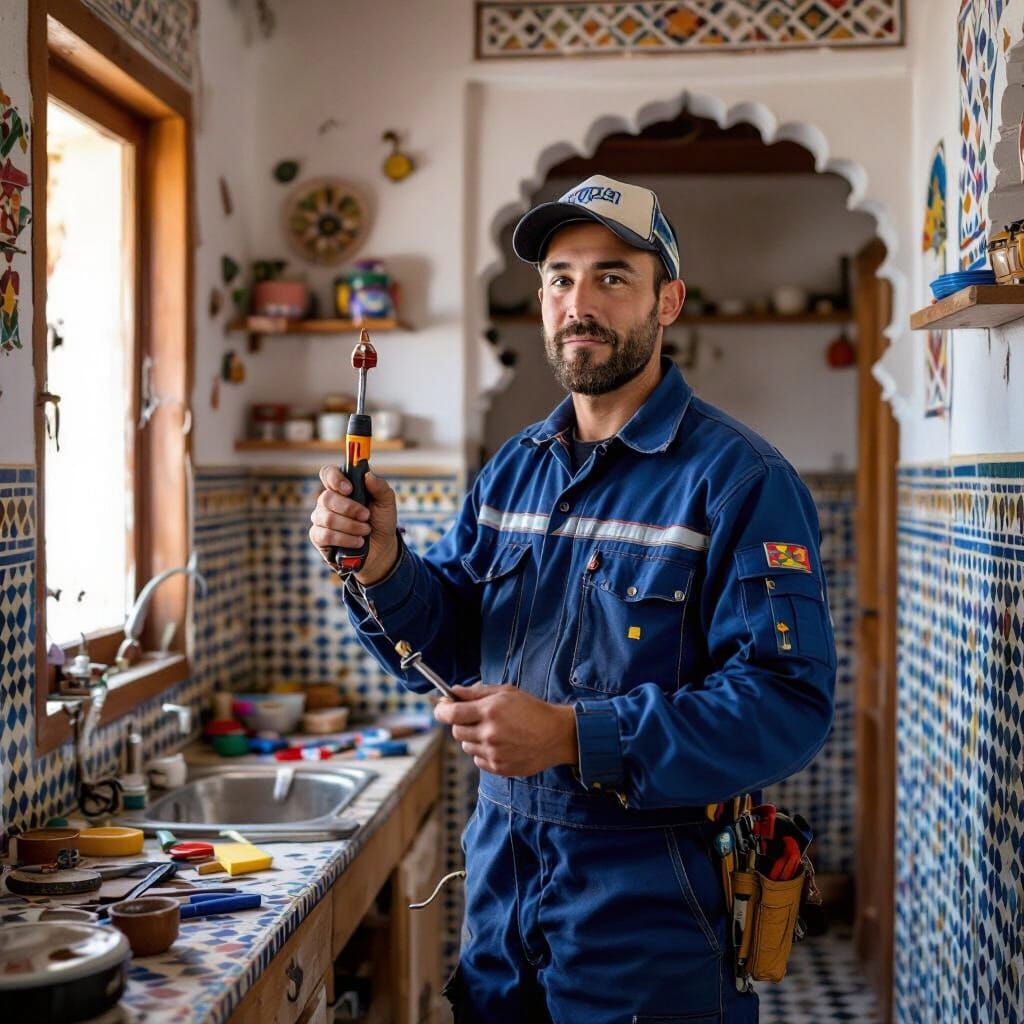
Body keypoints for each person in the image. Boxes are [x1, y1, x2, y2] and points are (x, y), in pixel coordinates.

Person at [309, 174, 837, 1023]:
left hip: (652, 913)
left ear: (668, 300)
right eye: (559, 277)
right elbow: (447, 645)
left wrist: (568, 735)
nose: (577, 302)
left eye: (610, 277)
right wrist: (383, 564)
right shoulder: (515, 468)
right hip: (499, 903)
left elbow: (787, 704)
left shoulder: (740, 481)